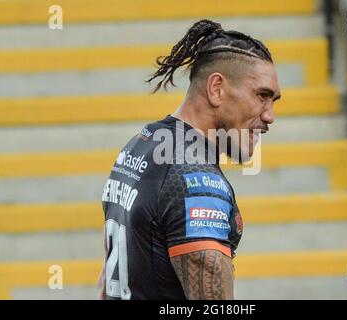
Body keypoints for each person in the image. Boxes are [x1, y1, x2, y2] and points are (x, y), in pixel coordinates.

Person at [97, 19, 280, 300]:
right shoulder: (197, 182)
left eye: (272, 101)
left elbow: (106, 287)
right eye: (262, 96)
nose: (269, 116)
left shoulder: (139, 144)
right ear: (217, 89)